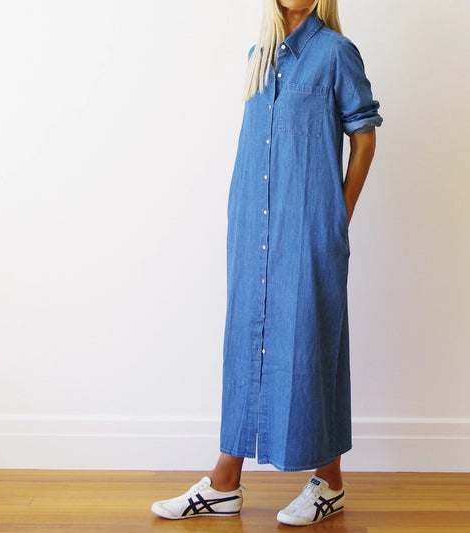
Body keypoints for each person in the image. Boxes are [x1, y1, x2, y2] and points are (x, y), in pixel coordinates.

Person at [151, 0, 382, 526]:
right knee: (246, 342)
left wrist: (338, 215)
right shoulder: (258, 54)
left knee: (311, 342)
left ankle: (330, 483)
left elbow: (365, 137)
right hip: (252, 225)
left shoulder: (336, 53)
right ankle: (224, 483)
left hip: (308, 226)